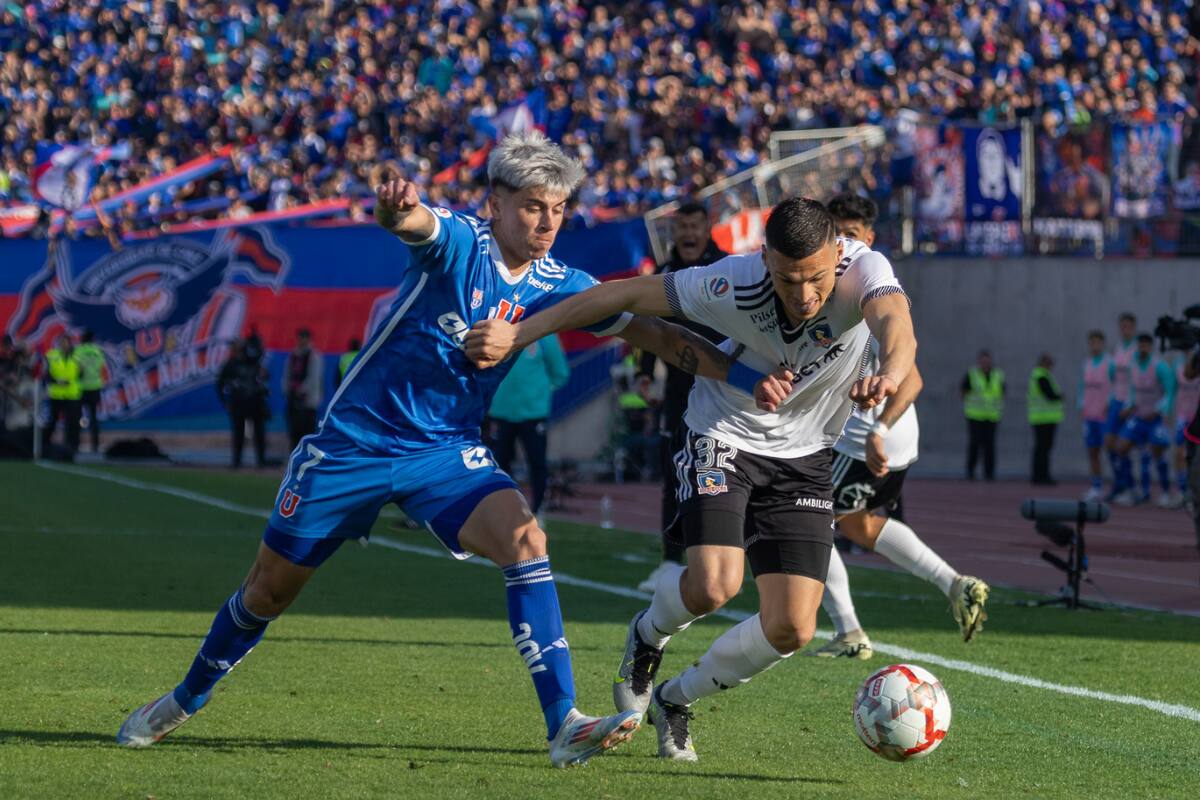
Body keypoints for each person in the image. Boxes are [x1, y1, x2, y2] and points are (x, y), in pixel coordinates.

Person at [117, 132, 761, 768]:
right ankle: (183, 698)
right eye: (535, 205)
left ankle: (563, 721)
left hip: (444, 451)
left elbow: (651, 332)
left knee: (527, 542)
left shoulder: (564, 282)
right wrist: (396, 208)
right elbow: (414, 222)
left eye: (560, 208)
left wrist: (746, 378)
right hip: (352, 445)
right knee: (268, 591)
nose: (548, 221)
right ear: (497, 202)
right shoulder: (459, 241)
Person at [464, 196, 917, 762]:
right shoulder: (733, 282)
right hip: (722, 432)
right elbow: (621, 294)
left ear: (836, 256)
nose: (804, 296)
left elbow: (897, 325)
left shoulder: (864, 269)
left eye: (816, 280)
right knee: (713, 585)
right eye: (787, 279)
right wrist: (520, 333)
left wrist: (890, 374)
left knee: (792, 628)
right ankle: (647, 636)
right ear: (765, 261)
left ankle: (675, 701)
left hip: (805, 455)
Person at [811, 197, 989, 660]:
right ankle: (954, 583)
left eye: (851, 234)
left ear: (868, 240)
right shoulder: (853, 288)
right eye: (837, 234)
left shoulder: (869, 295)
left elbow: (913, 378)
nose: (843, 243)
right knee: (860, 525)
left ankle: (849, 632)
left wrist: (877, 429)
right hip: (884, 441)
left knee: (807, 520)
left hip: (867, 441)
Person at [635, 201, 726, 592]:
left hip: (722, 391)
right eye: (682, 226)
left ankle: (724, 556)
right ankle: (670, 563)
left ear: (707, 228)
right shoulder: (664, 274)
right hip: (677, 392)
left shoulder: (725, 269)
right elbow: (644, 326)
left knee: (718, 474)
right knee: (674, 473)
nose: (689, 234)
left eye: (695, 225)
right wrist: (643, 373)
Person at [487, 334, 569, 517]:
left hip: (533, 414)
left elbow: (560, 372)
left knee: (537, 462)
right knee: (499, 464)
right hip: (502, 411)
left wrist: (539, 394)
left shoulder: (546, 335)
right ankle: (504, 508)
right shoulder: (500, 330)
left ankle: (537, 509)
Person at [1111, 334, 1176, 507]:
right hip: (1138, 417)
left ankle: (1165, 492)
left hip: (1154, 418)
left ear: (1151, 347)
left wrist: (1159, 410)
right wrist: (1128, 406)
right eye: (1140, 345)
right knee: (1121, 447)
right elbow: (1132, 391)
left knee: (1157, 451)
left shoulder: (1160, 366)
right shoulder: (1132, 366)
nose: (1142, 348)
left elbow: (1170, 391)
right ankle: (1132, 490)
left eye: (1146, 345)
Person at [216, 339, 269, 469]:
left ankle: (261, 461)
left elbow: (265, 373)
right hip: (238, 402)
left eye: (239, 347)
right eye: (235, 348)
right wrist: (224, 401)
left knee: (259, 432)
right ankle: (237, 461)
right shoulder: (231, 364)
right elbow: (219, 384)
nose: (238, 350)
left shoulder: (253, 360)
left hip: (255, 402)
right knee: (238, 432)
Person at [1080, 331, 1116, 501]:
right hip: (1090, 416)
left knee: (1110, 451)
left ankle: (1118, 485)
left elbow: (1117, 385)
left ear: (1103, 344)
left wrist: (1109, 403)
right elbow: (1082, 387)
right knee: (1092, 452)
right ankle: (1096, 487)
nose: (1094, 345)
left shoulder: (1110, 363)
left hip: (1104, 416)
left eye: (1097, 342)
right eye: (1091, 342)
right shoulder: (1086, 364)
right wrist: (1081, 406)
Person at [1106, 313, 1138, 498]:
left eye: (1128, 326)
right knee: (1109, 442)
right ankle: (1119, 482)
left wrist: (1131, 404)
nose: (1125, 329)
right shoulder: (1117, 348)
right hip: (1116, 401)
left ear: (1133, 328)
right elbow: (1113, 377)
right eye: (1122, 326)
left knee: (1125, 445)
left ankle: (1130, 484)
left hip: (1130, 403)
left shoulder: (1137, 349)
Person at [962, 350, 1004, 480]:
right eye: (983, 361)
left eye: (987, 361)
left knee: (990, 446)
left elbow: (1002, 391)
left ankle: (989, 474)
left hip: (992, 417)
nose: (986, 363)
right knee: (974, 445)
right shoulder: (972, 375)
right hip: (975, 416)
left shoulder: (998, 375)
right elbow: (963, 391)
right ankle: (970, 472)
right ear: (979, 362)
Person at [42, 333, 82, 456]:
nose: (63, 345)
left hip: (72, 394)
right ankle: (45, 444)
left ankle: (73, 446)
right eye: (61, 342)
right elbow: (46, 375)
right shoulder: (52, 356)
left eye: (65, 342)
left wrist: (80, 372)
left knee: (73, 422)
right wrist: (57, 381)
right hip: (57, 394)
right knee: (52, 421)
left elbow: (81, 374)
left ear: (70, 344)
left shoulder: (77, 357)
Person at [284, 328, 323, 450]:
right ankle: (294, 456)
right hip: (293, 399)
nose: (300, 341)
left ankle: (307, 458)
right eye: (299, 338)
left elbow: (314, 378)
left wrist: (301, 390)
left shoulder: (313, 356)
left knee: (307, 431)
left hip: (308, 401)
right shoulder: (293, 355)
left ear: (308, 339)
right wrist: (287, 390)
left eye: (303, 338)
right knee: (294, 432)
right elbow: (287, 375)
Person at [1028, 353, 1064, 485]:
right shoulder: (1041, 376)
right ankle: (1042, 476)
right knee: (1043, 449)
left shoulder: (1039, 375)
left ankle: (1038, 475)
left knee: (1041, 449)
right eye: (1050, 364)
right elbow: (1050, 395)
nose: (1051, 367)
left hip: (1041, 418)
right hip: (1044, 419)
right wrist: (1060, 396)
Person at [1172, 352, 1200, 508]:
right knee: (1180, 454)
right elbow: (1175, 386)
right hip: (1184, 416)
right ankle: (1183, 492)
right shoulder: (1179, 361)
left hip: (1196, 415)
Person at [74, 330, 107, 454]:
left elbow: (76, 369)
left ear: (82, 339)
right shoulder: (98, 351)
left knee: (76, 417)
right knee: (94, 418)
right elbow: (101, 367)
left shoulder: (78, 351)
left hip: (81, 388)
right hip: (95, 387)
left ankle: (75, 444)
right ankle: (95, 445)